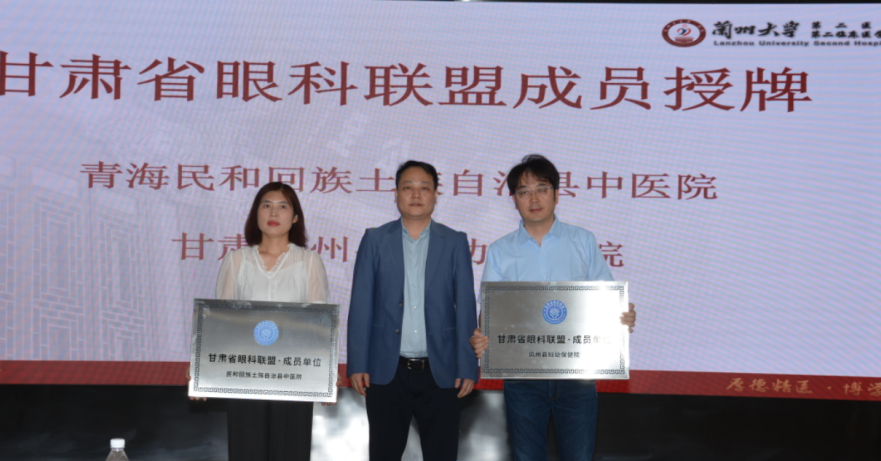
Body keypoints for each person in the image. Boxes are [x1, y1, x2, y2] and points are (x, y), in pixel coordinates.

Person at [469, 154, 637, 461]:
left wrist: (622, 315)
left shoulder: (582, 241)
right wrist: (482, 335)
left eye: (542, 189)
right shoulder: (500, 250)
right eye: (524, 191)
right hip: (522, 378)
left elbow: (608, 301)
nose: (533, 199)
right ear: (514, 199)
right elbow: (490, 312)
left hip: (577, 376)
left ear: (556, 194)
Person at [347, 160, 479, 461]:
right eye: (408, 187)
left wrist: (467, 366)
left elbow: (465, 307)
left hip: (441, 371)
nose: (416, 194)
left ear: (435, 195)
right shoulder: (375, 240)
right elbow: (361, 304)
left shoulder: (455, 241)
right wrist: (357, 362)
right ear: (396, 194)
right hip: (387, 370)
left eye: (424, 188)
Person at [192, 182, 330, 461]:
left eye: (282, 206)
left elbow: (320, 324)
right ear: (256, 213)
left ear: (295, 217)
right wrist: (199, 369)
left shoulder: (309, 262)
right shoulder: (236, 260)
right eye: (266, 205)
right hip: (244, 376)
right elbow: (219, 322)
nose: (273, 212)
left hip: (294, 378)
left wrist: (326, 373)